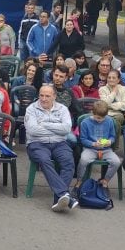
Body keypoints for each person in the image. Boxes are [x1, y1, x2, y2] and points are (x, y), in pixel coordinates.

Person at [25, 84, 77, 212]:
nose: (43, 99)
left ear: (54, 96)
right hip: (37, 143)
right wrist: (56, 128)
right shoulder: (31, 109)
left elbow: (66, 129)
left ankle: (58, 199)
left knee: (69, 162)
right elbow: (32, 130)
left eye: (47, 96)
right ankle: (64, 194)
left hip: (59, 143)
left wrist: (44, 124)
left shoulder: (63, 109)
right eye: (41, 95)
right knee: (45, 160)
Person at [76, 100, 121, 190]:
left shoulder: (109, 121)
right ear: (92, 113)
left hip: (106, 149)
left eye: (102, 118)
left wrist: (109, 142)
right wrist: (93, 144)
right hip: (90, 148)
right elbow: (83, 139)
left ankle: (105, 180)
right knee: (83, 160)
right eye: (97, 117)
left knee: (116, 162)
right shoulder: (85, 122)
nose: (100, 120)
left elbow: (112, 136)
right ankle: (79, 181)